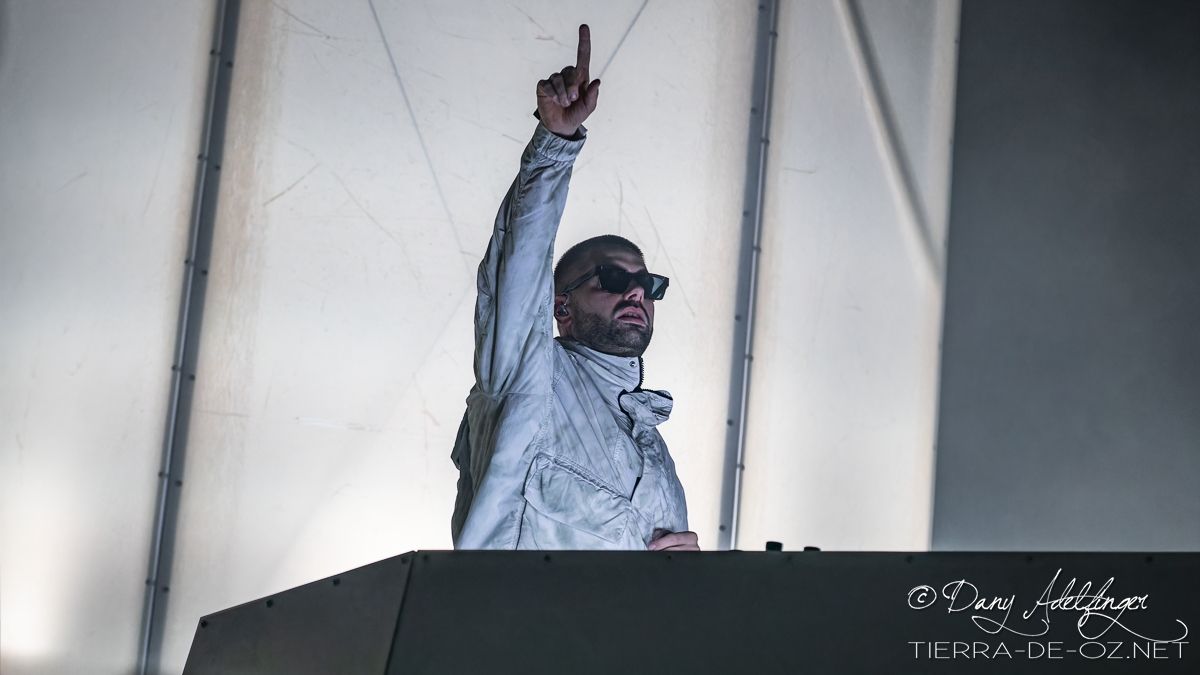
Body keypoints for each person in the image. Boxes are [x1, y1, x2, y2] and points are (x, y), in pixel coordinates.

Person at [450, 25, 699, 552]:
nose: (636, 293)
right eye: (615, 279)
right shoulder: (532, 375)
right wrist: (554, 146)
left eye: (647, 284)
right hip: (511, 609)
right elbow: (517, 272)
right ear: (560, 307)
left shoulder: (656, 450)